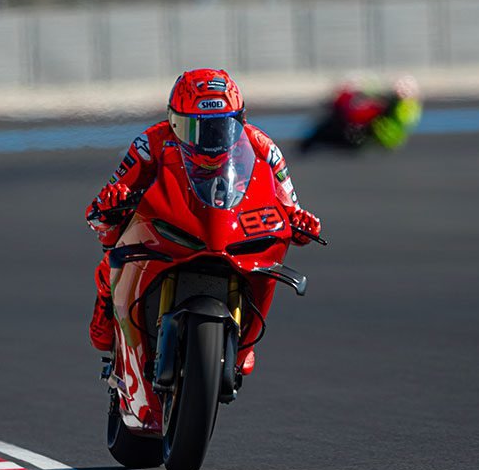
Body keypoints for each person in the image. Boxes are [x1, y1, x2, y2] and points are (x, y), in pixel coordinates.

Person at [85, 68, 322, 376]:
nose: (208, 141)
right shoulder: (149, 143)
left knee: (272, 253)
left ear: (239, 121)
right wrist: (112, 202)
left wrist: (301, 224)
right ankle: (108, 307)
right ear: (173, 122)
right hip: (173, 221)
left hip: (231, 226)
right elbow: (100, 211)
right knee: (112, 252)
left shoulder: (264, 147)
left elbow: (290, 207)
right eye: (193, 129)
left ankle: (246, 343)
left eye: (220, 129)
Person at [302, 74, 422, 152]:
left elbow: (400, 118)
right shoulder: (391, 100)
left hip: (380, 135)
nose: (400, 89)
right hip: (373, 130)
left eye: (405, 88)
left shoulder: (406, 107)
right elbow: (373, 91)